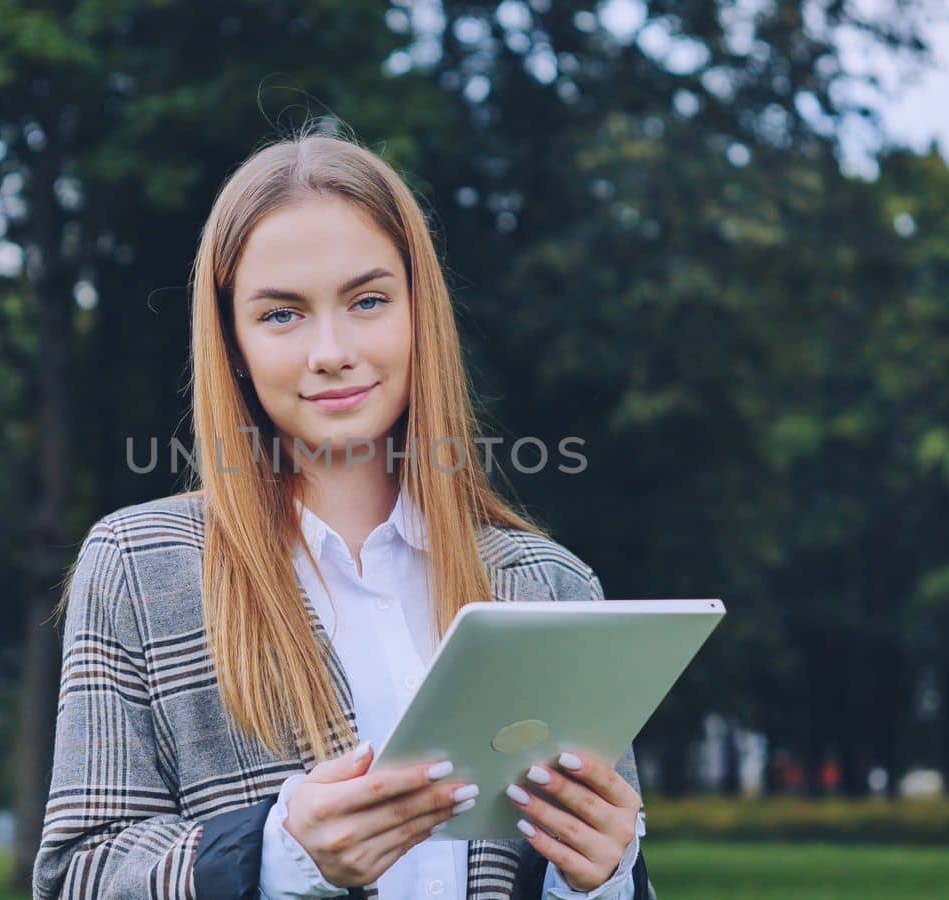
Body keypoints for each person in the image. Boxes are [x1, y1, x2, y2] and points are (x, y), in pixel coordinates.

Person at [32, 126, 653, 900]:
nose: (331, 349)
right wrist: (275, 856)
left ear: (418, 313)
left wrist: (600, 878)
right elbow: (78, 875)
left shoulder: (551, 587)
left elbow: (597, 864)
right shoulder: (138, 566)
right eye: (282, 315)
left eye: (367, 301)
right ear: (233, 343)